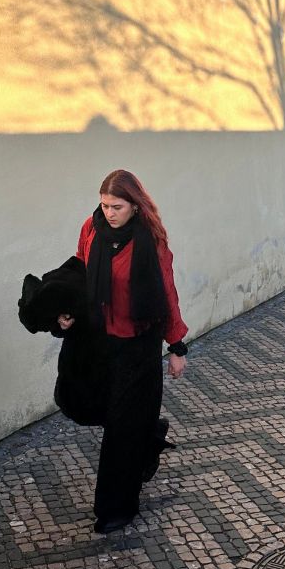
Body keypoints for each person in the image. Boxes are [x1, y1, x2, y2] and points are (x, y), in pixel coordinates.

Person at [58, 168, 189, 534]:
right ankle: (149, 440)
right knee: (84, 402)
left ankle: (115, 508)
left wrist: (176, 346)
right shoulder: (91, 228)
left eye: (117, 206)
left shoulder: (150, 241)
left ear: (135, 205)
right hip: (100, 340)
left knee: (121, 428)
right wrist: (66, 311)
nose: (109, 212)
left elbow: (167, 294)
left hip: (139, 345)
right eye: (104, 205)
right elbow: (79, 271)